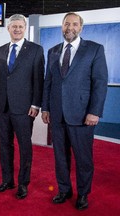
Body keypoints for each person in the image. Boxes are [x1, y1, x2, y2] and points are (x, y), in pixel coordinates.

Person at [41, 12, 108, 210]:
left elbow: (100, 83)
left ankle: (83, 194)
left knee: (83, 158)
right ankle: (64, 190)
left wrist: (94, 112)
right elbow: (48, 82)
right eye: (66, 24)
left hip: (82, 115)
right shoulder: (53, 51)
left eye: (74, 24)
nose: (70, 28)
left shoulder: (94, 49)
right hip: (57, 114)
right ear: (61, 27)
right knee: (60, 157)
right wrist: (46, 107)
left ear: (81, 28)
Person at [0, 14, 44, 199]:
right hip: (4, 107)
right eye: (13, 26)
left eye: (20, 27)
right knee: (4, 146)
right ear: (8, 29)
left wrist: (36, 104)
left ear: (24, 28)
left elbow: (39, 80)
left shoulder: (36, 50)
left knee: (24, 147)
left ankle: (23, 183)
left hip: (24, 108)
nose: (17, 29)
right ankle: (7, 180)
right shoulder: (0, 50)